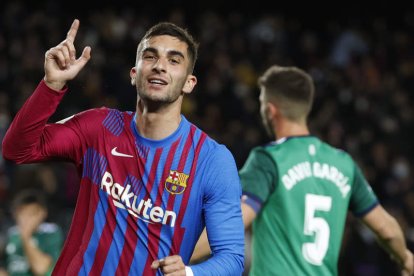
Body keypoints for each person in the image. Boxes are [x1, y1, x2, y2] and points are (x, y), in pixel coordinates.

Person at [2, 19, 244, 275]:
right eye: (150, 56)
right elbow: (17, 150)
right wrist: (51, 86)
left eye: (174, 60)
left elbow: (231, 258)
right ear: (134, 73)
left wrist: (190, 273)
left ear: (189, 82)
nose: (160, 66)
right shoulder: (98, 126)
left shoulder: (211, 160)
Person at [191, 65, 414, 275]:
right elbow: (387, 228)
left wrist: (180, 257)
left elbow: (232, 223)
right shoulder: (343, 163)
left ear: (270, 109)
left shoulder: (269, 159)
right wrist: (405, 257)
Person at [3, 189, 63, 275]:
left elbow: (41, 269)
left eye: (31, 214)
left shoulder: (51, 233)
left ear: (43, 213)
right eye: (22, 213)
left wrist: (26, 237)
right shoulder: (12, 234)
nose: (26, 219)